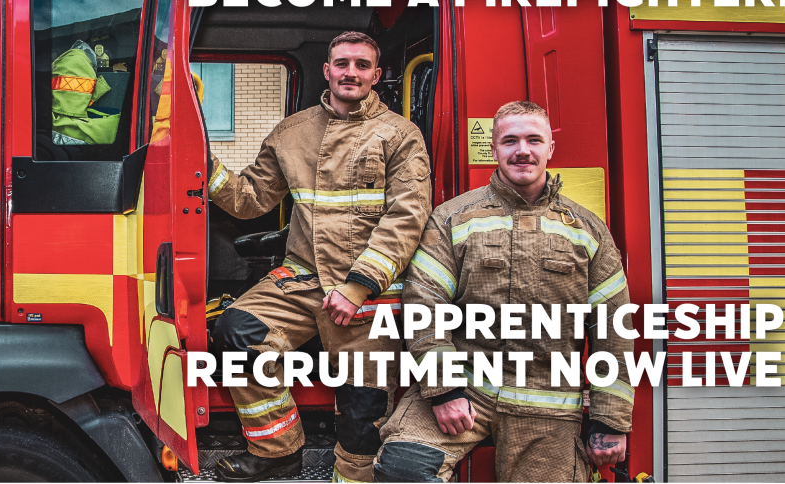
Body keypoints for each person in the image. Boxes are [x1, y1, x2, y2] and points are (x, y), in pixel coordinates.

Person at [208, 31, 433, 483]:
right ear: (328, 71)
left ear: (376, 74)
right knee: (236, 335)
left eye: (362, 65)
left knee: (363, 403)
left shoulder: (399, 135)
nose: (351, 72)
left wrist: (358, 285)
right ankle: (277, 451)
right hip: (302, 280)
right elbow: (251, 199)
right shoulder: (292, 132)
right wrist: (201, 164)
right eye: (343, 63)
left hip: (370, 289)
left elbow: (407, 216)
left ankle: (351, 477)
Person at [373, 100, 632, 483]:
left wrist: (611, 419)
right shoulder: (452, 218)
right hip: (467, 384)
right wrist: (444, 390)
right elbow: (425, 305)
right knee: (403, 470)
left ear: (550, 149)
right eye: (510, 141)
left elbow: (614, 328)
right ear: (493, 149)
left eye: (533, 140)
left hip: (548, 402)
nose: (522, 150)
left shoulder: (588, 230)